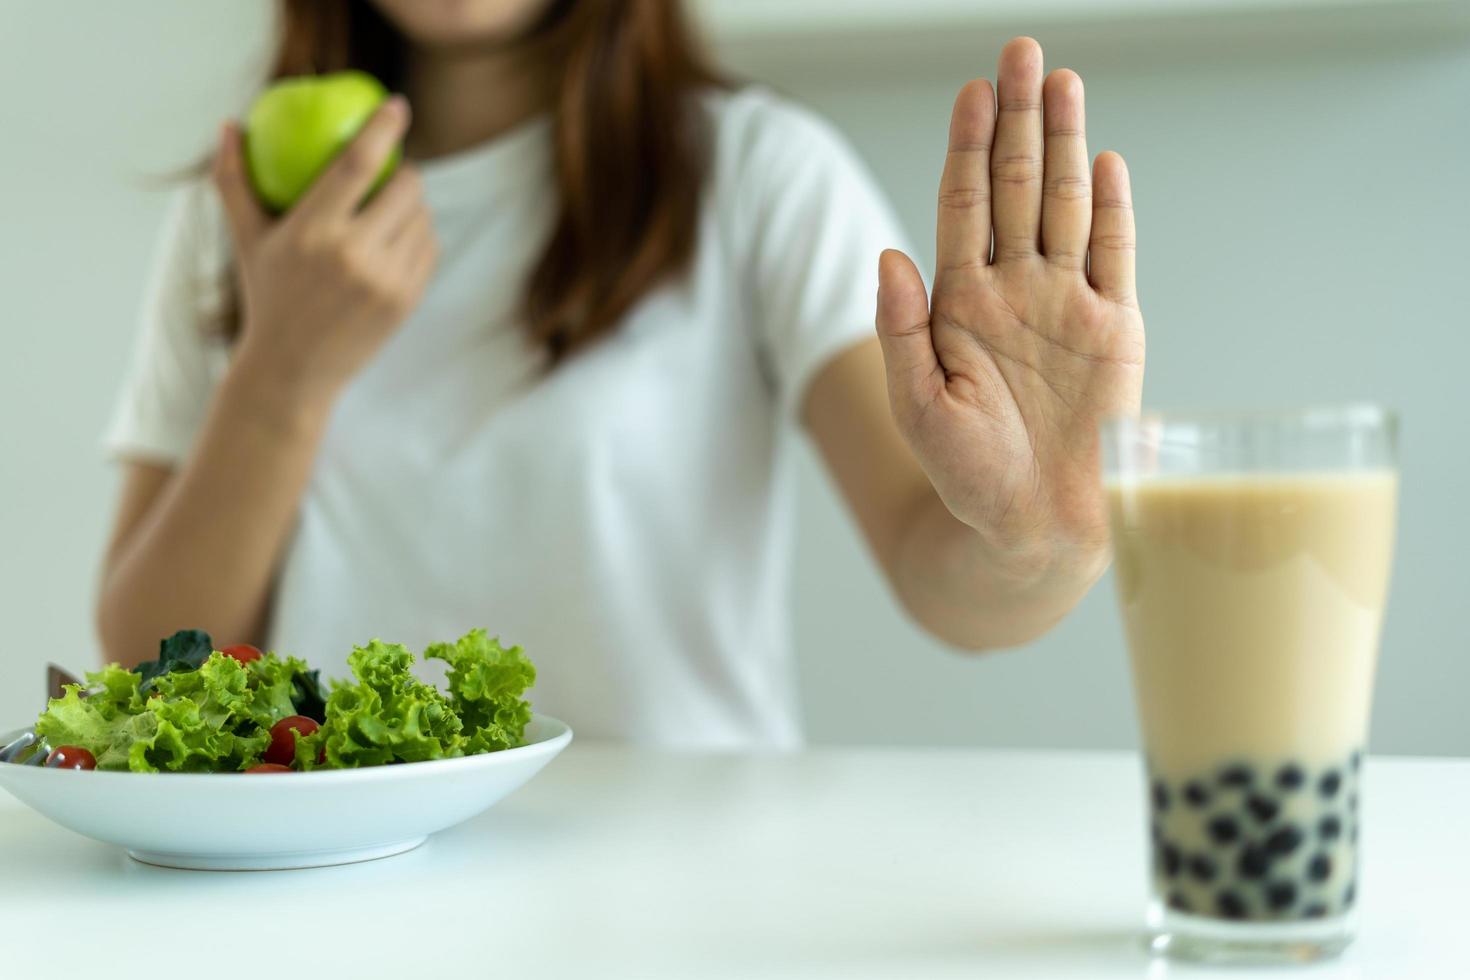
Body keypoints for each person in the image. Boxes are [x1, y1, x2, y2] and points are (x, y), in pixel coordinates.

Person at [97, 0, 1143, 747]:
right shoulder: (238, 213)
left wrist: (1041, 532)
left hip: (682, 877)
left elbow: (944, 579)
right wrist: (281, 369)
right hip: (326, 874)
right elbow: (156, 657)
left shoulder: (754, 171)